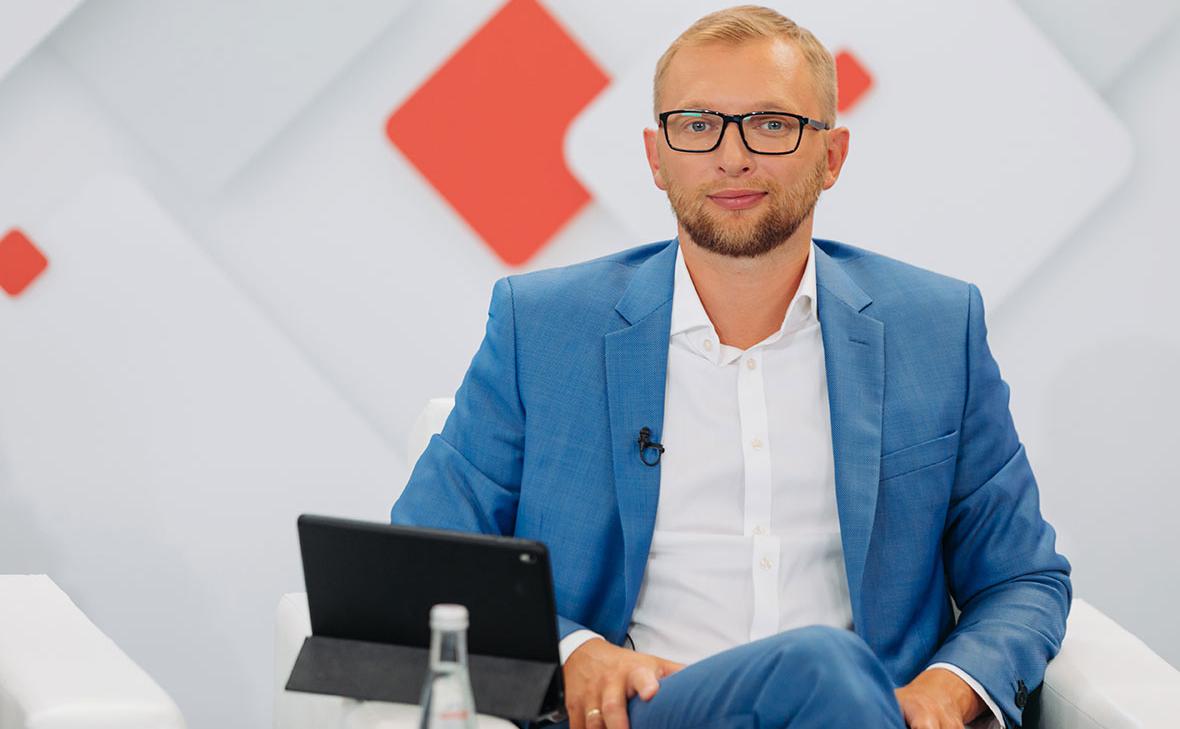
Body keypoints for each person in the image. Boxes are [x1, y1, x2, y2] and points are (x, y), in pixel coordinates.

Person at [392, 5, 1071, 728]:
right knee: (820, 664)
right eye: (697, 125)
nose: (733, 156)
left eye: (772, 125)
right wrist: (574, 652)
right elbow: (426, 558)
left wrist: (946, 688)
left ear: (832, 156)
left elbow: (1023, 577)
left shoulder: (935, 329)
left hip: (867, 713)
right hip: (638, 715)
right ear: (657, 157)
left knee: (833, 677)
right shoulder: (542, 326)